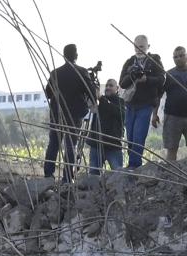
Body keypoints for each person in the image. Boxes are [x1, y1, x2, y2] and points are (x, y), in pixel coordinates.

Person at [42, 44, 95, 182]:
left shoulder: (55, 73)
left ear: (64, 56)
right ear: (76, 56)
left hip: (57, 113)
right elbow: (91, 93)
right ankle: (67, 177)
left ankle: (48, 175)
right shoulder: (82, 72)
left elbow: (48, 93)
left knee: (54, 143)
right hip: (75, 114)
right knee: (71, 144)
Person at [117, 35, 165, 166]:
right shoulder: (129, 62)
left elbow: (162, 79)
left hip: (146, 104)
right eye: (136, 46)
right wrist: (132, 74)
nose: (139, 49)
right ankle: (133, 162)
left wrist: (147, 79)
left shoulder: (154, 60)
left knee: (139, 135)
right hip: (130, 104)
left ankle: (134, 164)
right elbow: (122, 83)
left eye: (142, 47)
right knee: (130, 137)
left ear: (148, 46)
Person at [160, 46, 187, 161]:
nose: (178, 58)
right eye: (175, 57)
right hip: (172, 116)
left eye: (181, 55)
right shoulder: (168, 75)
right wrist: (154, 114)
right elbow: (159, 94)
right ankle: (170, 176)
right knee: (171, 149)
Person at [88, 78, 125, 171]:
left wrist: (101, 98)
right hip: (96, 144)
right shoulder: (99, 101)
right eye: (107, 86)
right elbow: (89, 108)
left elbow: (118, 113)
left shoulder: (120, 102)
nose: (108, 87)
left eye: (111, 85)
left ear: (117, 88)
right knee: (93, 175)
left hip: (113, 145)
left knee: (118, 175)